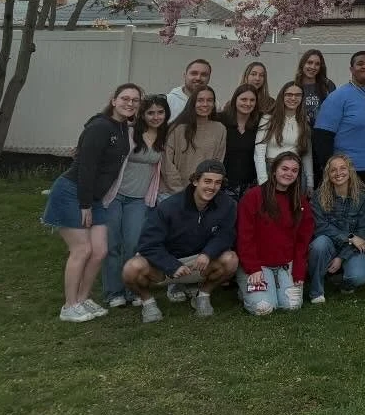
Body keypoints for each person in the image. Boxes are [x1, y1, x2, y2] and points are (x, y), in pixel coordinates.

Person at [42, 83, 139, 321]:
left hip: (94, 198)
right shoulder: (100, 127)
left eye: (135, 100)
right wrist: (85, 204)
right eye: (125, 98)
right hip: (72, 193)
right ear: (113, 100)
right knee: (82, 249)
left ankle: (83, 299)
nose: (130, 103)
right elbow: (86, 167)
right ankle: (69, 305)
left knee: (100, 251)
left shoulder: (121, 127)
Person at [123, 159, 239, 322]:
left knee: (231, 260)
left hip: (199, 262)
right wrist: (172, 265)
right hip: (166, 264)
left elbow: (226, 235)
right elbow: (148, 244)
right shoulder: (169, 206)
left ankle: (203, 295)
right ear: (195, 181)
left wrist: (208, 253)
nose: (212, 187)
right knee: (131, 268)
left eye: (217, 183)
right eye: (207, 181)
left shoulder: (228, 204)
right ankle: (148, 302)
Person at [314, 51, 365, 265]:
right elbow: (322, 135)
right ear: (351, 68)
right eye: (360, 63)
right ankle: (340, 259)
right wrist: (327, 168)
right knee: (346, 217)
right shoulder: (339, 97)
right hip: (350, 171)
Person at [103, 93, 168, 308]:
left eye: (160, 112)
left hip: (139, 199)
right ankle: (114, 293)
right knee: (113, 245)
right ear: (142, 114)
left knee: (133, 245)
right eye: (150, 112)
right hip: (115, 195)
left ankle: (133, 290)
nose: (155, 117)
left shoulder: (164, 137)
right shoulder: (129, 132)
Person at [235, 151, 314, 315]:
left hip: (286, 265)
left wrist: (298, 270)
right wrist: (253, 268)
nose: (289, 173)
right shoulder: (253, 197)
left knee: (292, 306)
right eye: (284, 168)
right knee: (264, 308)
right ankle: (246, 290)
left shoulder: (300, 201)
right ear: (274, 170)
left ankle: (274, 287)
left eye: (294, 170)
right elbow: (244, 237)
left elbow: (303, 240)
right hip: (258, 266)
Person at [308, 154, 365, 303]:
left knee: (359, 276)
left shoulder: (363, 197)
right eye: (333, 170)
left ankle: (344, 282)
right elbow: (320, 227)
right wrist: (350, 237)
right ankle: (316, 291)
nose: (338, 173)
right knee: (319, 244)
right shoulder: (319, 197)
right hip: (328, 243)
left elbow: (363, 234)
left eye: (343, 168)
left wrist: (341, 258)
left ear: (350, 171)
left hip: (353, 247)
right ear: (328, 174)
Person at [162, 86, 226, 196]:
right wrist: (181, 192)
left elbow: (217, 163)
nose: (205, 104)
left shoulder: (220, 129)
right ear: (192, 103)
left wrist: (202, 192)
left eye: (209, 100)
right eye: (200, 100)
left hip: (203, 195)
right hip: (173, 193)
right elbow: (167, 163)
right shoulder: (177, 129)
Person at [256, 81, 313, 191]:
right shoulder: (268, 118)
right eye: (289, 94)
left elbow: (307, 153)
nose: (293, 98)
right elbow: (259, 150)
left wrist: (310, 182)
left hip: (295, 173)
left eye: (297, 95)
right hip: (271, 170)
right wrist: (262, 180)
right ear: (282, 96)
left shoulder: (304, 121)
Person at [220, 84, 262, 198]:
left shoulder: (261, 123)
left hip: (250, 185)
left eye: (252, 100)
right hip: (224, 184)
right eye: (243, 99)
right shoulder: (221, 120)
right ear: (235, 100)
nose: (248, 104)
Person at [292, 48, 335, 126]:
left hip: (322, 132)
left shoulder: (328, 85)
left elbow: (335, 111)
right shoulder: (294, 86)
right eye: (309, 62)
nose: (313, 67)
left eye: (317, 64)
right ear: (303, 64)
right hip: (301, 132)